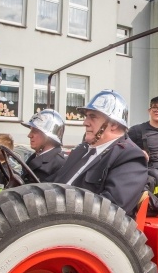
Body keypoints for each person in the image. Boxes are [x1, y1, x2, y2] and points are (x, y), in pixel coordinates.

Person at [52, 89, 147, 218]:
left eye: (93, 116)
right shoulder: (81, 151)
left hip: (81, 230)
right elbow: (55, 186)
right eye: (86, 116)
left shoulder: (130, 157)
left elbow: (109, 212)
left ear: (113, 124)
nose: (85, 122)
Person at [21, 109, 67, 182]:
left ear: (48, 136)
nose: (29, 135)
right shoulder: (34, 157)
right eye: (31, 130)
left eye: (35, 131)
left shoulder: (59, 163)